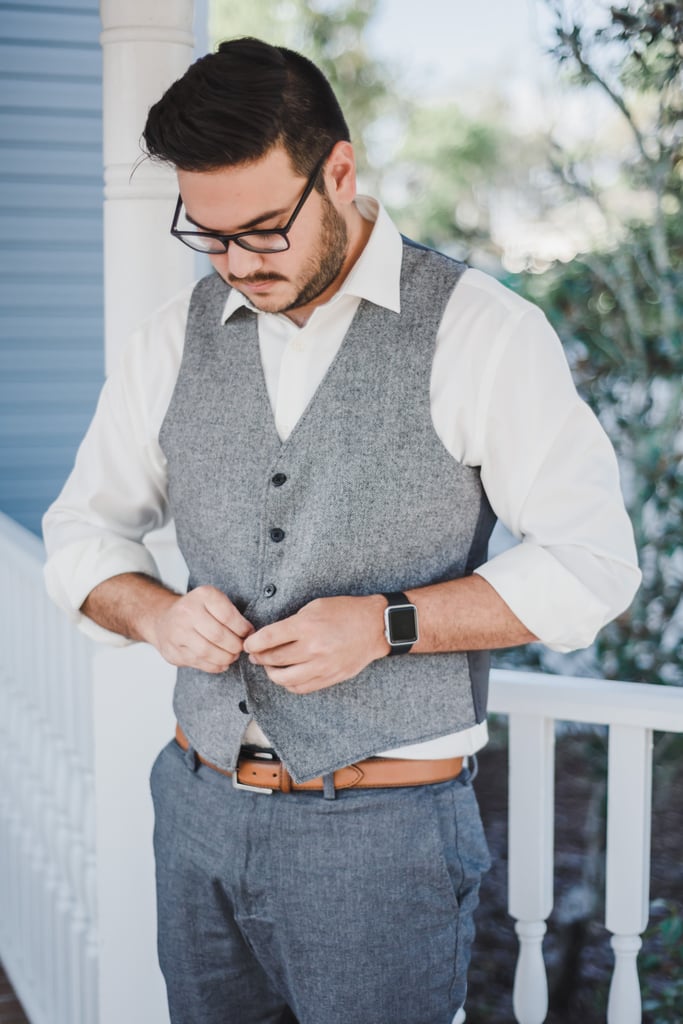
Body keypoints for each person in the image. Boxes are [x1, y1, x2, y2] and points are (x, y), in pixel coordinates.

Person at [43, 36, 641, 1024]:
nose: (237, 263)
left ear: (340, 171)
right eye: (210, 234)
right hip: (193, 810)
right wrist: (151, 612)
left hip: (383, 835)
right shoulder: (168, 339)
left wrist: (385, 623)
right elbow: (83, 530)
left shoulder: (479, 332)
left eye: (266, 230)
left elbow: (590, 565)